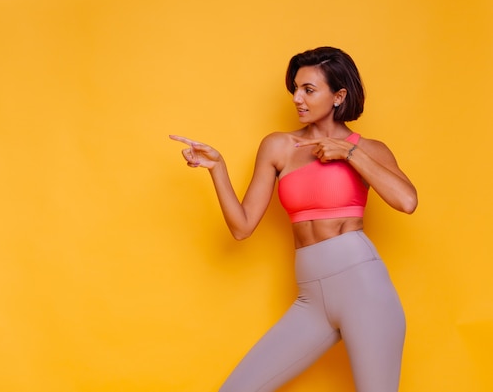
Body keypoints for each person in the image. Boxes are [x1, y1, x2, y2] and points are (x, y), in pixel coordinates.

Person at [169, 46, 417, 392]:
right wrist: (217, 168)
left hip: (365, 290)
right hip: (311, 300)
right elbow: (242, 228)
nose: (297, 98)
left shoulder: (368, 149)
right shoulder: (278, 147)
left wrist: (348, 152)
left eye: (308, 90)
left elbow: (406, 201)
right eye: (295, 89)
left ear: (338, 96)